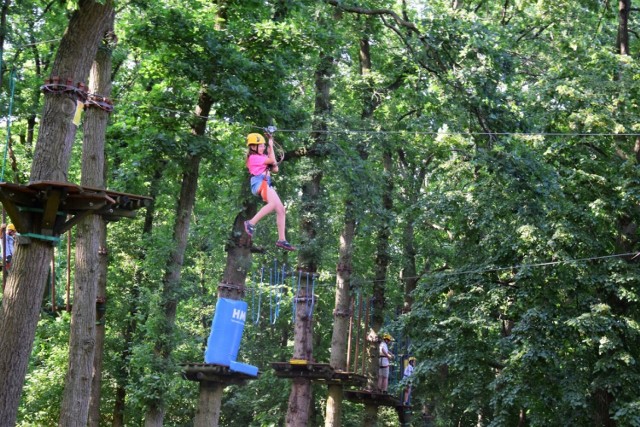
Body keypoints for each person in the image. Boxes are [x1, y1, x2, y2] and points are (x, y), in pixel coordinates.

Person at [243, 132, 296, 251]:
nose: (262, 147)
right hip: (259, 183)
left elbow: (275, 168)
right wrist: (271, 146)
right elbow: (272, 160)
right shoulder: (253, 158)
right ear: (253, 147)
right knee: (272, 204)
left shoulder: (262, 157)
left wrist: (270, 147)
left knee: (281, 209)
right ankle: (250, 223)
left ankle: (282, 240)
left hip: (266, 183)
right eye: (260, 145)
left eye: (263, 145)